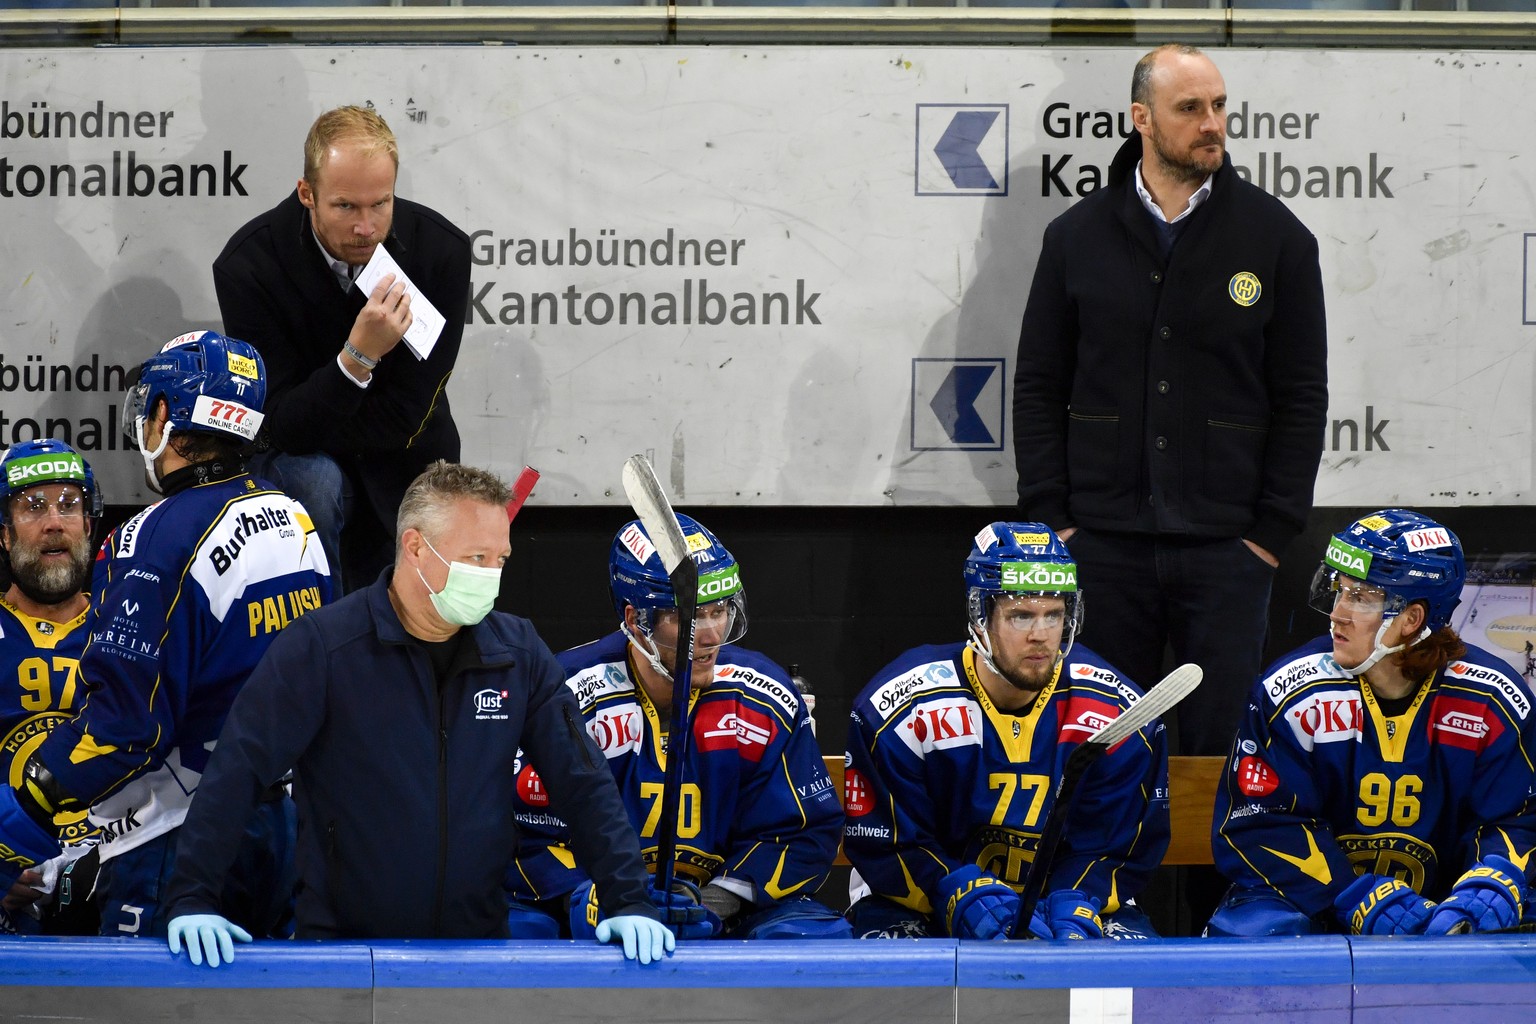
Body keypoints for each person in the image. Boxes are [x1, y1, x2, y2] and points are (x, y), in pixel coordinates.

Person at [162, 461, 669, 967]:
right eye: (475, 558)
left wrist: (628, 898)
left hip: (475, 952)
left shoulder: (518, 652)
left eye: (500, 559)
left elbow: (583, 782)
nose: (491, 575)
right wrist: (193, 896)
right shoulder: (324, 649)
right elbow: (238, 771)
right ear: (415, 548)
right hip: (344, 953)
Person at [1012, 43, 1328, 758]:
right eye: (1190, 108)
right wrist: (1055, 524)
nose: (1211, 122)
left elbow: (1302, 396)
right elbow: (1037, 386)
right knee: (1100, 756)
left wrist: (1269, 536)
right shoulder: (1076, 238)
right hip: (1100, 550)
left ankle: (1230, 879)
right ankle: (1098, 880)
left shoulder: (1277, 240)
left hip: (1229, 555)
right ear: (1141, 120)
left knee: (1225, 764)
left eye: (1218, 106)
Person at [0, 331, 332, 940]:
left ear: (162, 416)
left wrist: (20, 818)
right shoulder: (296, 518)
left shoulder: (151, 536)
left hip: (175, 836)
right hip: (281, 826)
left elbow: (125, 727)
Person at [507, 513, 849, 941]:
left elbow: (804, 832)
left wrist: (715, 902)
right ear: (635, 621)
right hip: (594, 902)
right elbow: (524, 835)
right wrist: (599, 899)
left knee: (810, 938)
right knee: (514, 930)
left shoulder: (765, 696)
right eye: (686, 616)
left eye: (719, 611)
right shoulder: (566, 692)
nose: (709, 635)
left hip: (723, 908)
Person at [1209, 510, 1536, 937]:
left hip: (1447, 899)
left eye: (1362, 597)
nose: (1338, 614)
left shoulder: (1493, 698)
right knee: (1255, 932)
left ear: (1412, 619)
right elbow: (1261, 821)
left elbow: (1519, 815)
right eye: (1339, 591)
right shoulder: (1290, 691)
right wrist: (1350, 894)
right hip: (1319, 898)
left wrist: (1489, 881)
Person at [843, 523, 1168, 940]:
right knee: (893, 979)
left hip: (1068, 900)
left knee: (1135, 973)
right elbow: (891, 842)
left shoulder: (1116, 711)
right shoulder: (899, 709)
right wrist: (961, 893)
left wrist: (1076, 895)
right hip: (921, 898)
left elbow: (1117, 844)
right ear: (981, 617)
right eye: (1020, 615)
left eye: (1054, 614)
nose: (1040, 634)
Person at [214, 105, 472, 594]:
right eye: (346, 207)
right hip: (303, 461)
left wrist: (321, 411)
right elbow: (280, 424)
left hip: (407, 452)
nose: (366, 227)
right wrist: (356, 358)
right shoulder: (248, 267)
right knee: (314, 480)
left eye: (381, 203)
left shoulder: (441, 253)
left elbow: (409, 414)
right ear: (307, 194)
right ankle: (318, 640)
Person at [0, 440, 103, 936]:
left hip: (119, 875)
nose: (54, 522)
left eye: (69, 504)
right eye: (32, 507)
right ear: (3, 533)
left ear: (88, 523)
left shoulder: (135, 627)